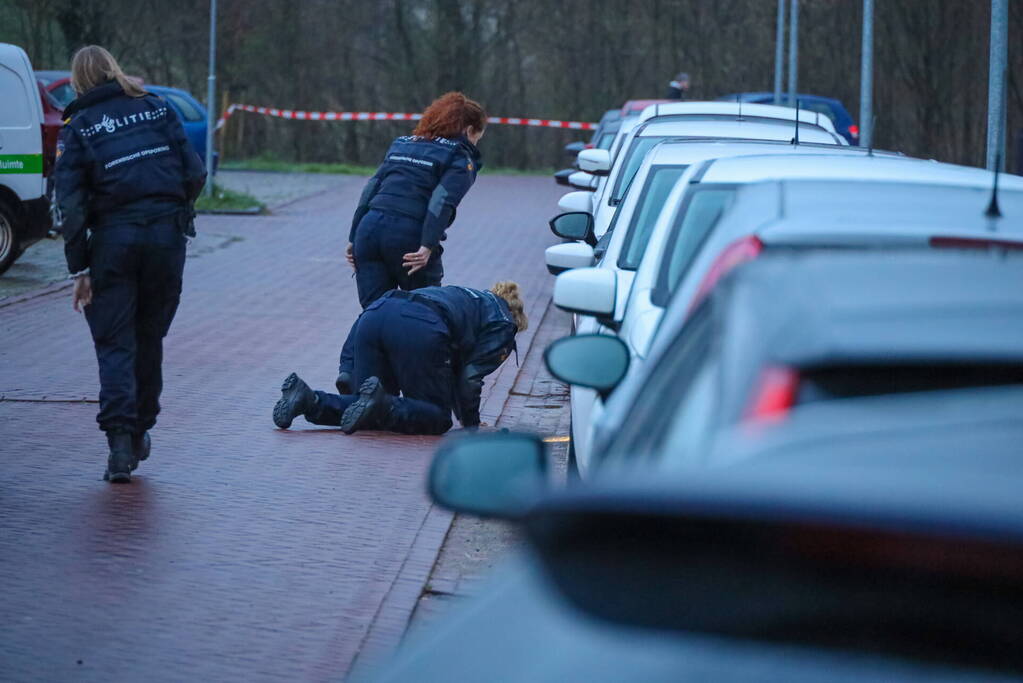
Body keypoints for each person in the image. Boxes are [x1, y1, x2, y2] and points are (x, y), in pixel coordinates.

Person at [54, 45, 206, 483]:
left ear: (79, 80)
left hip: (113, 243)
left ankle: (121, 445)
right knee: (150, 335)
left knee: (115, 343)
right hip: (164, 238)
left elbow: (71, 205)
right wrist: (179, 214)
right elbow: (194, 173)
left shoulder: (79, 125)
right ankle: (141, 429)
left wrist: (79, 270)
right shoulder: (156, 108)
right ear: (114, 69)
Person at [337, 92, 486, 393]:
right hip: (407, 235)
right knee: (428, 311)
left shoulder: (402, 144)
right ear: (469, 130)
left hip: (369, 229)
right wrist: (427, 246)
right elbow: (441, 201)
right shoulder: (459, 157)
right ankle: (432, 387)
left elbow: (371, 189)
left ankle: (355, 375)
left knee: (375, 308)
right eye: (480, 134)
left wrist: (354, 238)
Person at [274, 282, 527, 435]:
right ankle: (384, 404)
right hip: (419, 325)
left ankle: (309, 400)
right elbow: (470, 377)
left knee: (365, 406)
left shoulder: (464, 295)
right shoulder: (503, 323)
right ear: (517, 318)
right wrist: (470, 425)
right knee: (437, 418)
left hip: (377, 311)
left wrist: (347, 366)